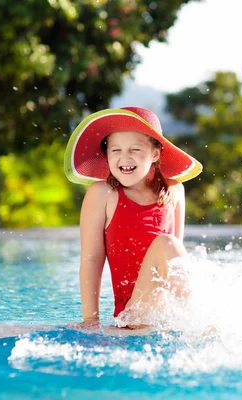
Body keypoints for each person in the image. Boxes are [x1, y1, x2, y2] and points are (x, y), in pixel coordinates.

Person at [64, 106, 202, 330]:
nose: (124, 158)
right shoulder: (102, 194)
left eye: (135, 149)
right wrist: (91, 320)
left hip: (166, 311)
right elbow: (91, 259)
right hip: (134, 312)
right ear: (107, 155)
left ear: (156, 154)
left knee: (171, 246)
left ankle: (191, 320)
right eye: (115, 150)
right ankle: (194, 325)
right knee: (166, 243)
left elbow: (176, 264)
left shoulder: (174, 190)